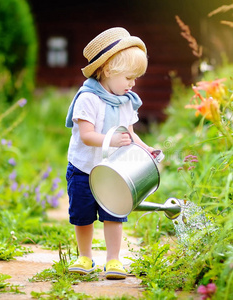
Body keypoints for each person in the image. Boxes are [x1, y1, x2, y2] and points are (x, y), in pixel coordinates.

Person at [65, 27, 154, 280]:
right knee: (83, 216)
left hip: (113, 172)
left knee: (114, 215)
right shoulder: (88, 99)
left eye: (136, 78)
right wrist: (111, 140)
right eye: (129, 77)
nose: (133, 83)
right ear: (107, 71)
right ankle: (85, 256)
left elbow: (131, 133)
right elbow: (87, 135)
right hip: (84, 169)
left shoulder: (126, 101)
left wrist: (145, 149)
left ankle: (113, 260)